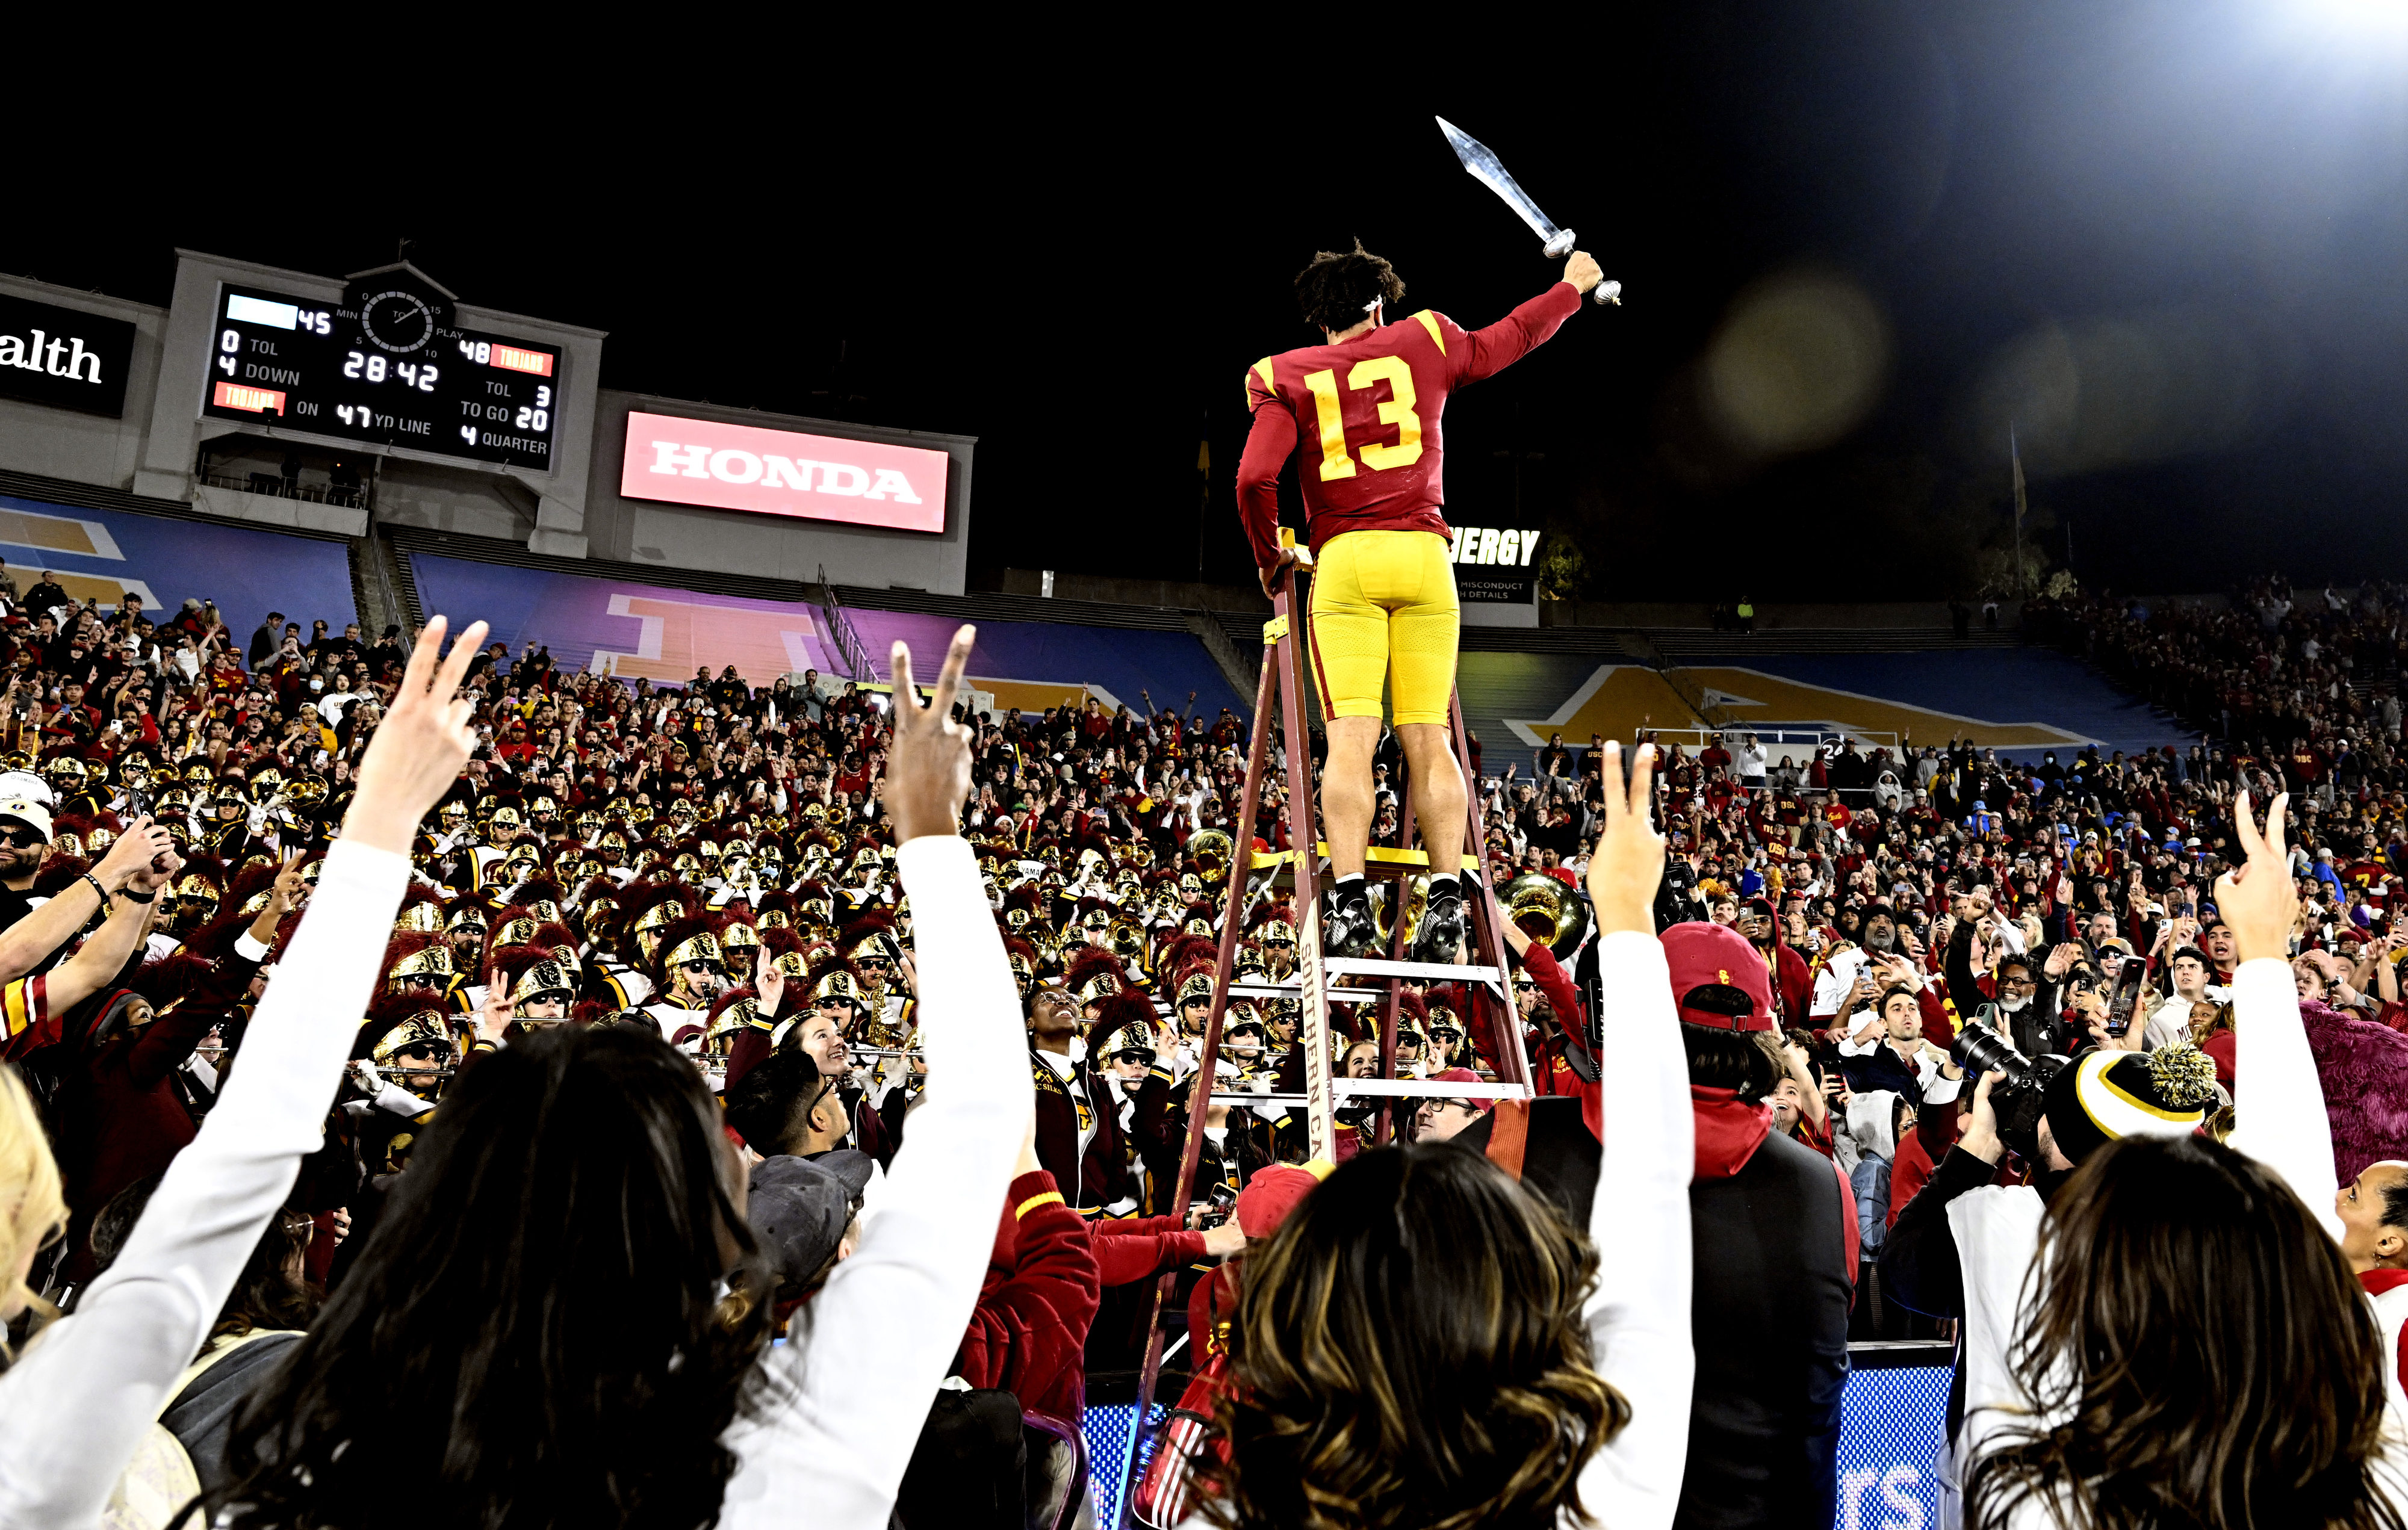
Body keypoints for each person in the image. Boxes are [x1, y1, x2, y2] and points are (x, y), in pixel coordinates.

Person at [203, 625, 1033, 1530]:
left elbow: (243, 1145)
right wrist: (931, 833)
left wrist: (378, 825)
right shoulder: (788, 1451)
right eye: (711, 1146)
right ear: (664, 1225)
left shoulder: (314, 1460)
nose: (748, 1163)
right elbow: (980, 1115)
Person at [0, 613, 491, 1530]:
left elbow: (93, 970)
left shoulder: (50, 1416)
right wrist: (382, 823)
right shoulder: (56, 1420)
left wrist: (136, 892)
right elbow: (253, 1141)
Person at [1184, 742, 1692, 1530]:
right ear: (1512, 1312)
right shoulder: (1605, 1507)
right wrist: (1629, 920)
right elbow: (1651, 1217)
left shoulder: (1235, 1507)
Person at [1956, 790, 2408, 1526]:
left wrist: (2264, 957)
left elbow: (2288, 1199)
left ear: (2110, 1300)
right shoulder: (2369, 1456)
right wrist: (2264, 953)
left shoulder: (2048, 1498)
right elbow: (2289, 1199)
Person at [1236, 240, 1609, 965]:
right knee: (1428, 739)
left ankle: (1345, 901)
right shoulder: (1427, 336)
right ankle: (1444, 901)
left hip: (1344, 559)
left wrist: (1268, 556)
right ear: (1380, 305)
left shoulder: (1281, 374)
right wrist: (1570, 289)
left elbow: (1254, 478)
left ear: (1318, 319)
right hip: (1426, 557)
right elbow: (1514, 335)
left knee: (1349, 737)